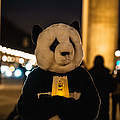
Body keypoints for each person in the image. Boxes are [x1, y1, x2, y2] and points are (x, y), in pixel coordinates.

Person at [89, 55, 114, 120]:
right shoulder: (106, 72)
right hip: (104, 97)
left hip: (93, 98)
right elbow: (111, 86)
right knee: (104, 114)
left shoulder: (90, 72)